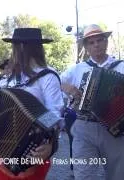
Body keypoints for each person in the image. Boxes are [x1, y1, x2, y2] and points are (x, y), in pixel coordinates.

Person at [0, 28, 63, 180]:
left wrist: (50, 144)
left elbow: (54, 114)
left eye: (15, 47)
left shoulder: (47, 76)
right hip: (6, 147)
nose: (13, 51)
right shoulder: (10, 78)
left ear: (23, 47)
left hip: (32, 149)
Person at [60, 24, 124, 180]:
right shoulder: (77, 69)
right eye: (91, 42)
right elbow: (56, 82)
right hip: (84, 125)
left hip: (115, 129)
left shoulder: (121, 66)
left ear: (106, 42)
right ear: (86, 47)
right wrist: (69, 88)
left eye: (100, 40)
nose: (96, 45)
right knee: (84, 174)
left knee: (118, 174)